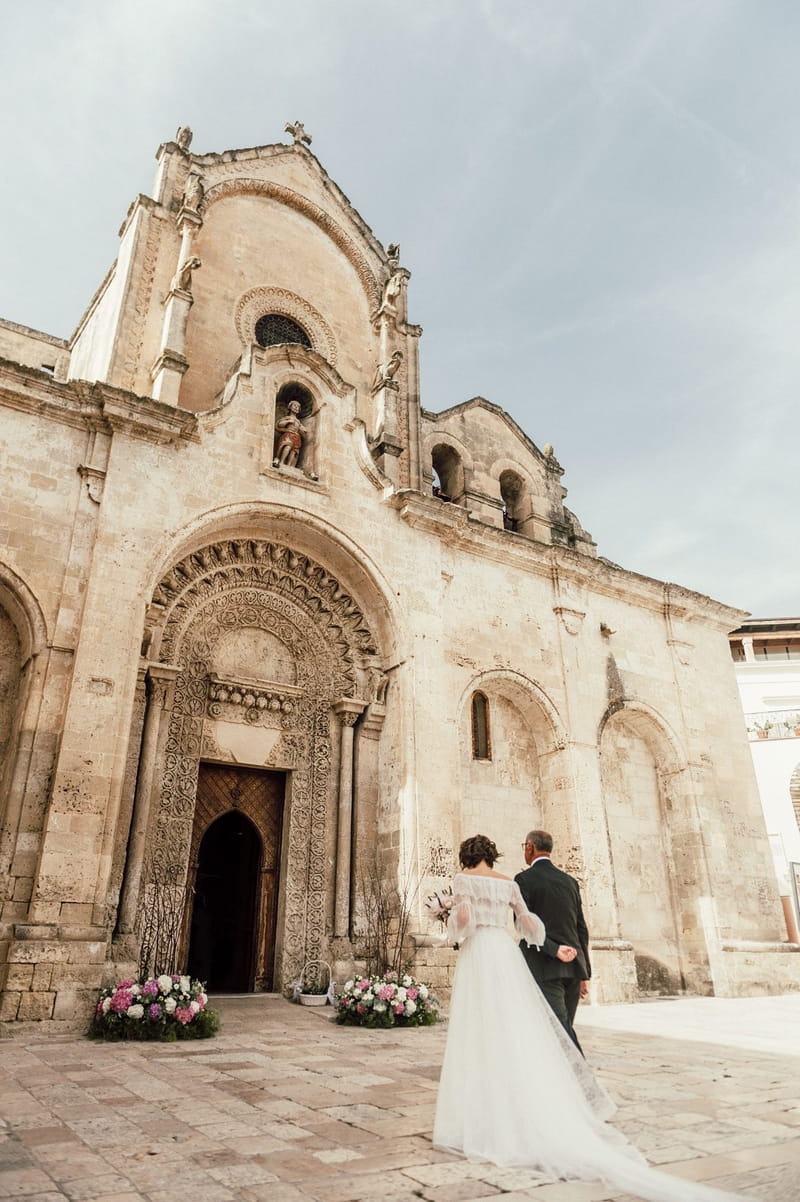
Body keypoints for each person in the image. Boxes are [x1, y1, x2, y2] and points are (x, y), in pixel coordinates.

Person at [432, 833, 751, 1201]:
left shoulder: (463, 880)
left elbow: (464, 924)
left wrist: (450, 924)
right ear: (492, 854)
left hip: (480, 953)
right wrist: (560, 952)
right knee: (518, 1028)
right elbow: (529, 924)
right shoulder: (514, 882)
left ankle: (488, 1110)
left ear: (466, 855)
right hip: (507, 954)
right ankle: (549, 1098)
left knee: (480, 1029)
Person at [515, 829, 589, 1052]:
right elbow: (581, 929)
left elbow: (524, 927)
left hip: (544, 965)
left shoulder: (523, 880)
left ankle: (582, 1081)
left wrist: (554, 949)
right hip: (574, 968)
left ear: (529, 847)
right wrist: (584, 972)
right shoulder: (570, 881)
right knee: (563, 1027)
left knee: (560, 1030)